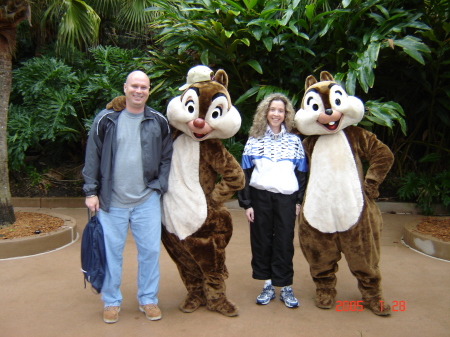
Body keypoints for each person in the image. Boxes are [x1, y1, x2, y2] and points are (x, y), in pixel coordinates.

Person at [82, 70, 173, 324]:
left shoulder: (158, 121)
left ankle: (148, 299)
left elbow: (167, 156)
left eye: (143, 87)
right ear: (125, 88)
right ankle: (111, 301)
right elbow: (93, 156)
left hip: (146, 200)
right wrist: (91, 191)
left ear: (149, 90)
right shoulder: (106, 120)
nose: (138, 91)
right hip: (112, 202)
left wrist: (160, 186)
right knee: (112, 253)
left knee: (150, 251)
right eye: (134, 86)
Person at [238, 93, 307, 308]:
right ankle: (267, 284)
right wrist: (247, 203)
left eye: (281, 110)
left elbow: (302, 173)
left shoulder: (295, 141)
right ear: (265, 112)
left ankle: (285, 286)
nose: (276, 114)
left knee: (285, 241)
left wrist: (298, 201)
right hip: (260, 198)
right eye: (273, 109)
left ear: (286, 114)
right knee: (262, 240)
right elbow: (245, 174)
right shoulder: (254, 140)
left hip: (286, 198)